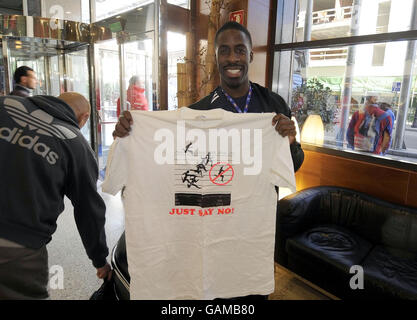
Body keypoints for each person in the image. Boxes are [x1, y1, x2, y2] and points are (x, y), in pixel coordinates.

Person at [114, 22, 304, 172]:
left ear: (251, 56)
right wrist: (129, 135)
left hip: (260, 216)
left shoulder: (273, 103)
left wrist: (291, 142)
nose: (232, 58)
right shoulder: (197, 113)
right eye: (224, 51)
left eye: (240, 50)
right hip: (216, 217)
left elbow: (294, 166)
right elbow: (162, 163)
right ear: (215, 58)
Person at [0, 92, 111, 299]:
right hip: (17, 246)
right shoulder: (74, 142)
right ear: (84, 117)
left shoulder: (4, 103)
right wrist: (100, 260)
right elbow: (89, 210)